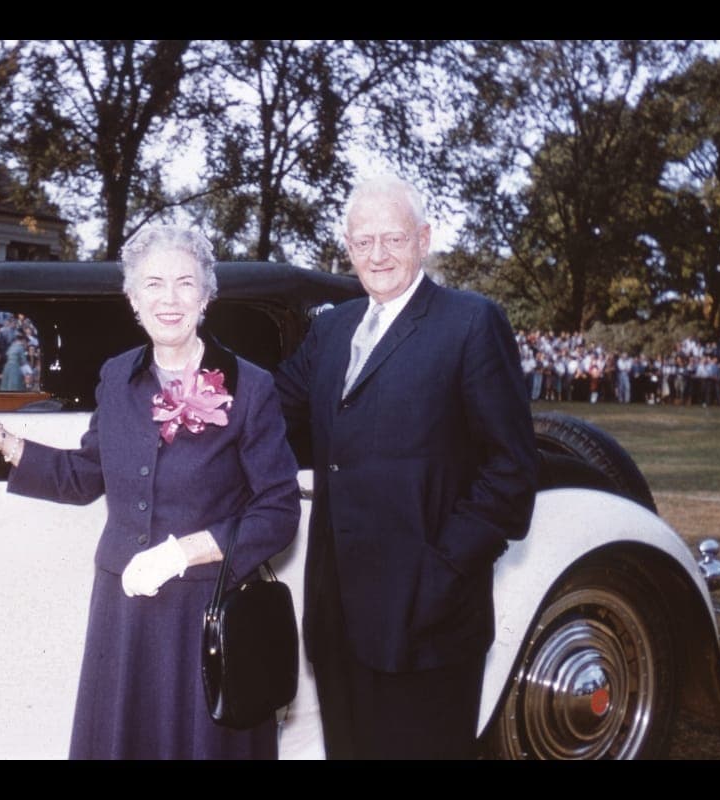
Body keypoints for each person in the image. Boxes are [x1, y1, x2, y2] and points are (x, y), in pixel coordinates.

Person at [0, 225, 300, 759]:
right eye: (153, 284)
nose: (169, 299)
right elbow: (85, 476)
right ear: (133, 298)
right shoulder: (116, 376)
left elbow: (278, 511)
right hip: (125, 615)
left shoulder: (251, 386)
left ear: (206, 296)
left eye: (184, 284)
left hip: (204, 612)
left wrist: (183, 552)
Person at [274, 174, 538, 760]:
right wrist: (187, 364)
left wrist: (443, 571)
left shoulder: (471, 323)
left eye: (392, 239)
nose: (378, 255)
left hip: (428, 623)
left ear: (423, 238)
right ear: (347, 247)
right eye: (363, 242)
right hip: (338, 618)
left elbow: (512, 472)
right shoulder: (332, 328)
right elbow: (268, 406)